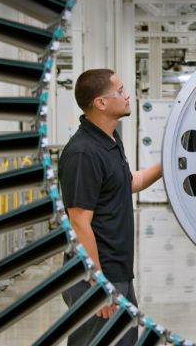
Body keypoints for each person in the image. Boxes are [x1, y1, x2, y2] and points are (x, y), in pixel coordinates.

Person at [59, 68, 163, 345]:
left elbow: (130, 183)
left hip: (116, 271)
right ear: (100, 103)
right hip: (95, 276)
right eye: (119, 91)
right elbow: (79, 221)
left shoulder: (110, 142)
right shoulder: (83, 153)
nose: (127, 95)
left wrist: (170, 161)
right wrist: (98, 285)